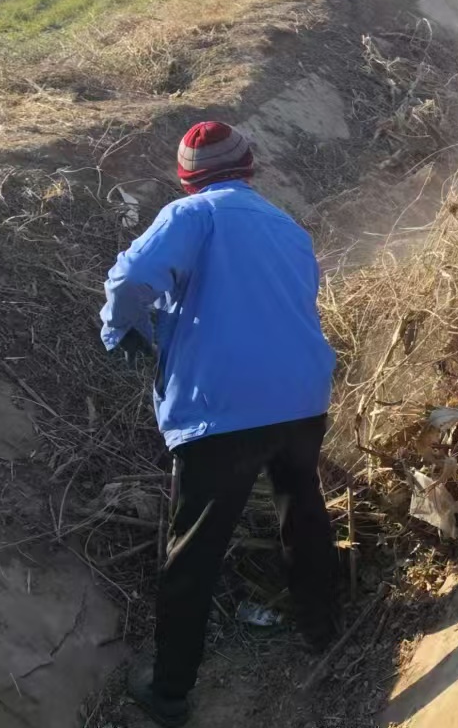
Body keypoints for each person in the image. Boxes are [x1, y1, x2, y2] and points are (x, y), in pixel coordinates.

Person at [102, 122, 338, 727]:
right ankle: (323, 629)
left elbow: (131, 280)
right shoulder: (287, 226)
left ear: (187, 179)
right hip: (303, 396)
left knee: (196, 549)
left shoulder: (191, 216)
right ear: (249, 167)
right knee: (302, 510)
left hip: (222, 407)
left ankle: (170, 689)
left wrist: (121, 329)